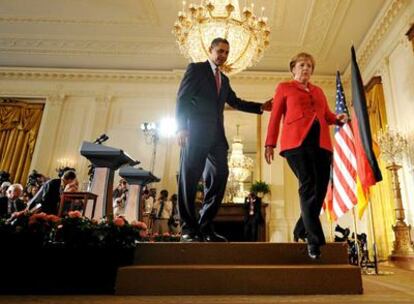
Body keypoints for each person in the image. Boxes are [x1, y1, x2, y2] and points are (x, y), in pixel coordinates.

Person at [176, 37, 272, 242]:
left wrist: (261, 107)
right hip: (195, 131)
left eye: (226, 52)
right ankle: (188, 229)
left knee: (221, 176)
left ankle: (206, 226)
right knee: (189, 179)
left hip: (217, 136)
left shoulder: (224, 79)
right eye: (220, 51)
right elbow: (182, 98)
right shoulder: (196, 69)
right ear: (210, 50)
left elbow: (235, 102)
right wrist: (181, 127)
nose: (223, 55)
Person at [265, 52, 347, 259]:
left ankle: (301, 228)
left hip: (321, 144)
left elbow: (326, 115)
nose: (306, 69)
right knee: (308, 184)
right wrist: (269, 144)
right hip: (296, 143)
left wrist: (338, 119)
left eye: (309, 66)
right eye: (302, 65)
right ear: (293, 68)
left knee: (320, 190)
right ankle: (314, 239)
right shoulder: (284, 88)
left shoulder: (318, 91)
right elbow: (275, 117)